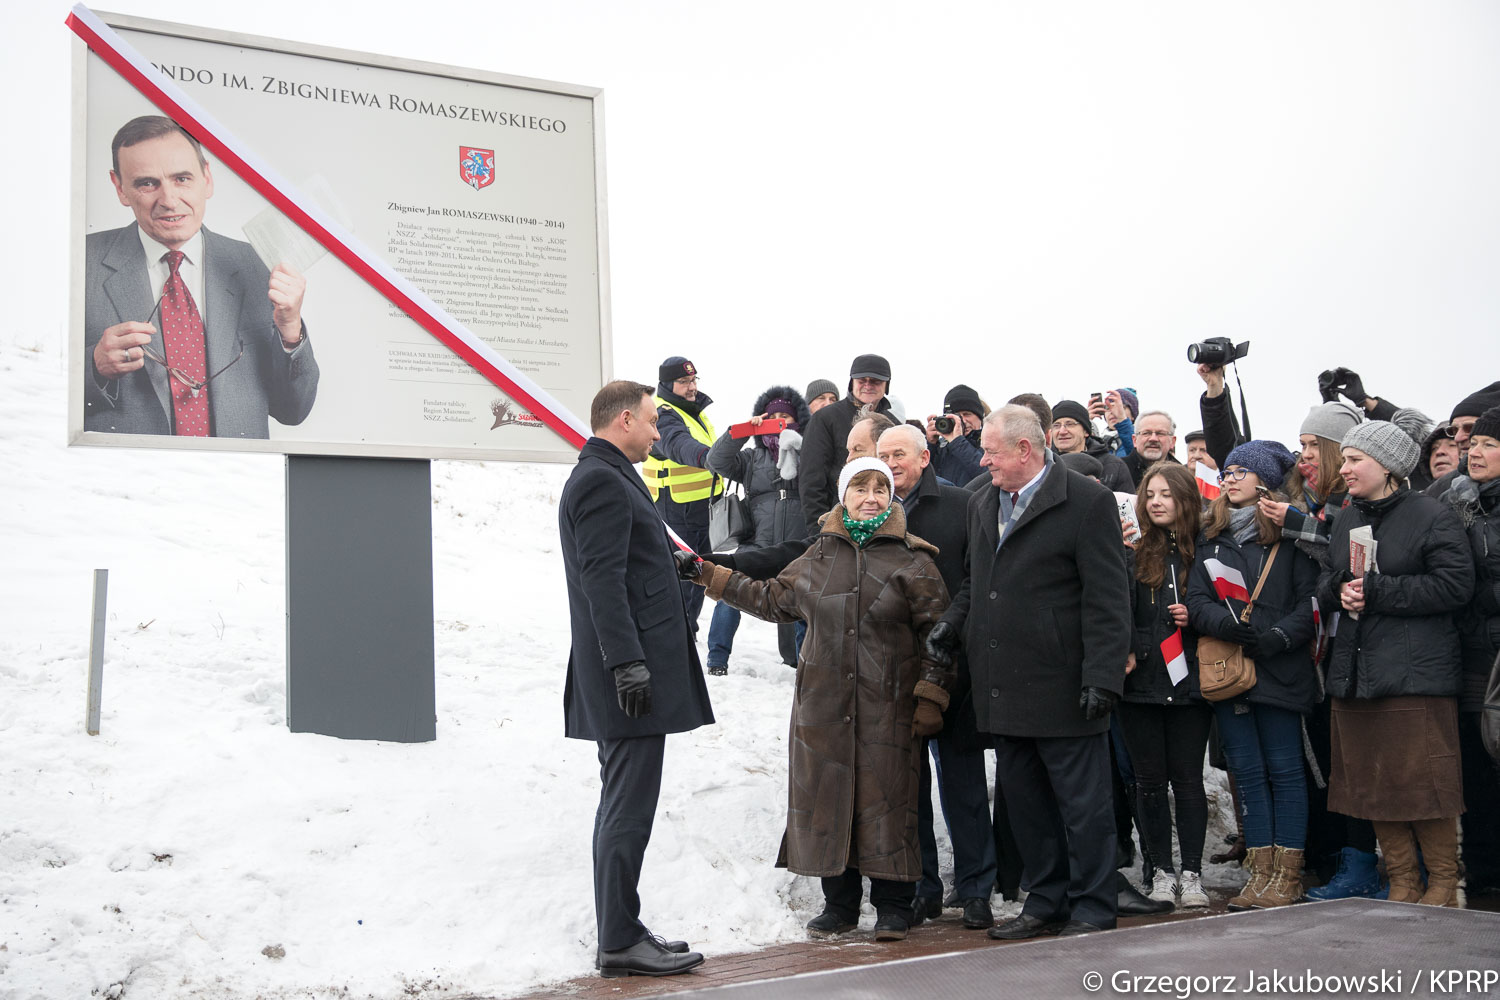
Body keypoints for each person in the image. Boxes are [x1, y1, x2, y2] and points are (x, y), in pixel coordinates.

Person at [684, 458, 952, 942]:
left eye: (879, 488)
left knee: (890, 802)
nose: (870, 496)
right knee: (830, 800)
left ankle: (894, 907)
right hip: (822, 707)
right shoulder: (816, 557)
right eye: (859, 487)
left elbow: (940, 636)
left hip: (888, 707)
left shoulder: (914, 562)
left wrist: (931, 695)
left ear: (891, 497)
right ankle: (840, 905)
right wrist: (709, 574)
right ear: (842, 494)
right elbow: (769, 598)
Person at [927, 405, 1131, 938]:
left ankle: (1093, 904)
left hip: (1066, 684)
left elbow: (1108, 598)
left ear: (1025, 449)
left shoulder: (1087, 501)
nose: (983, 460)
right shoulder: (982, 502)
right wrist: (953, 623)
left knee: (1083, 807)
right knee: (1026, 805)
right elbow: (976, 583)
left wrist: (1103, 676)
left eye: (991, 451)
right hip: (1003, 682)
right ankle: (1046, 900)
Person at [559, 381, 715, 978]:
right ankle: (620, 940)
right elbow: (601, 582)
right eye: (653, 422)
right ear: (624, 419)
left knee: (623, 804)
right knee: (627, 807)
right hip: (629, 678)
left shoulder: (606, 473)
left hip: (630, 673)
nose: (658, 433)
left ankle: (622, 928)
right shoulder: (601, 478)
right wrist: (627, 663)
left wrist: (665, 560)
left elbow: (623, 562)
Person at [84, 115, 319, 438]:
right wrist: (94, 367)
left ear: (207, 178)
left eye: (182, 179)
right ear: (120, 187)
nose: (168, 200)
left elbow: (293, 411)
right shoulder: (77, 261)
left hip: (234, 478)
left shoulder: (260, 266)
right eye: (147, 183)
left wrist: (291, 330)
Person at [1319, 421, 1474, 907]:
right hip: (1358, 675)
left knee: (1424, 786)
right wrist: (1338, 590)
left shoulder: (1432, 514)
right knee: (1374, 785)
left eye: (1354, 460)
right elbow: (1327, 579)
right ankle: (1404, 880)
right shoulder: (1345, 517)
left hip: (1415, 677)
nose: (1343, 469)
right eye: (1343, 460)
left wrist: (1379, 590)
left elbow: (1454, 587)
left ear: (1387, 465)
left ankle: (1444, 884)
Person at [1187, 440, 1319, 910]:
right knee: (1246, 770)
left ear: (1266, 482)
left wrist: (1279, 637)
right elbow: (1197, 595)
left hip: (1281, 668)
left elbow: (1312, 601)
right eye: (1227, 470)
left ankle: (1287, 876)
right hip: (1230, 670)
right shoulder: (1212, 536)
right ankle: (1258, 874)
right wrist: (1221, 624)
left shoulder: (1291, 539)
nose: (1230, 477)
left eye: (1241, 470)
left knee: (1284, 771)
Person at [876, 424, 997, 930]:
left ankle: (975, 889)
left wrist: (954, 630)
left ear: (925, 457)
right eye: (882, 455)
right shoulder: (870, 511)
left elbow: (978, 576)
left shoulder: (958, 504)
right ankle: (924, 887)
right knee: (909, 788)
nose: (890, 462)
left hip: (955, 667)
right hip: (894, 671)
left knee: (963, 783)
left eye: (899, 453)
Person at [1123, 463, 1213, 909]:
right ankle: (1160, 871)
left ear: (1185, 499)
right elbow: (1118, 610)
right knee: (1149, 783)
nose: (1157, 501)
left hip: (1191, 683)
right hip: (1141, 683)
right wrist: (1137, 645)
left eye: (1166, 494)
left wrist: (1195, 621)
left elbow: (1228, 611)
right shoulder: (1132, 550)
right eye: (1150, 494)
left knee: (1188, 781)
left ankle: (1193, 873)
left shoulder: (1205, 552)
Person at [703, 386, 810, 675]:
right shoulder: (752, 457)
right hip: (757, 543)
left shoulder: (808, 453)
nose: (779, 421)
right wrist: (739, 431)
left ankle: (804, 666)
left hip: (797, 546)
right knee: (728, 591)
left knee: (804, 606)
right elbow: (716, 461)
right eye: (772, 416)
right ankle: (716, 658)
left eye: (785, 416)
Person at [1443, 407, 1500, 895]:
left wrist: (1470, 588)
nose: (1474, 451)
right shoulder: (1459, 501)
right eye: (1473, 443)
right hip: (1470, 658)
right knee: (1476, 776)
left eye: (1489, 445)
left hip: (1496, 655)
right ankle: (1484, 880)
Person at [642, 357, 724, 635]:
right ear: (667, 385)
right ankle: (678, 632)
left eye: (693, 380)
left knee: (698, 573)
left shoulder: (693, 412)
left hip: (700, 508)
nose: (691, 387)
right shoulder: (663, 414)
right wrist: (709, 457)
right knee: (685, 574)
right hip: (679, 508)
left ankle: (685, 630)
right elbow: (677, 444)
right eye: (683, 382)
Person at [798, 354, 895, 530]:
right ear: (851, 382)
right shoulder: (825, 418)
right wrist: (819, 530)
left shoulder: (894, 424)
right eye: (861, 380)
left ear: (886, 385)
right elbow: (811, 480)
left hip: (885, 523)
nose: (867, 385)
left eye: (875, 381)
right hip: (838, 524)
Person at [1049, 399, 1135, 493]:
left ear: (1086, 431)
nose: (1062, 431)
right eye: (1056, 425)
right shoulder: (1043, 464)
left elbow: (1127, 504)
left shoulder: (1114, 465)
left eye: (1070, 424)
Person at [925, 384, 987, 485]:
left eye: (967, 414)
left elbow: (987, 475)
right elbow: (919, 476)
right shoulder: (942, 446)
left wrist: (957, 442)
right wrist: (930, 444)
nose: (962, 420)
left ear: (980, 417)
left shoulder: (990, 443)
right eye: (956, 416)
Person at [1122, 411, 1179, 488]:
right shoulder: (1117, 470)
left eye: (1160, 433)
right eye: (1146, 433)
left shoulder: (1182, 477)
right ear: (1134, 440)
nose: (1153, 439)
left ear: (1172, 441)